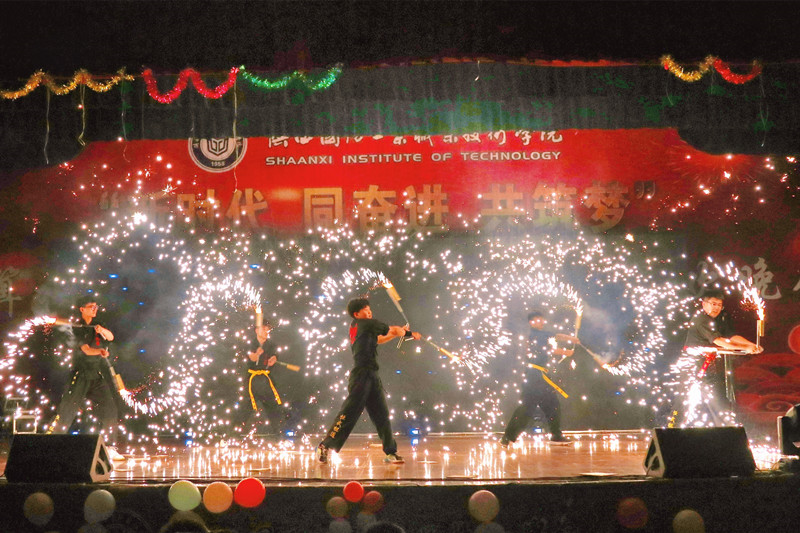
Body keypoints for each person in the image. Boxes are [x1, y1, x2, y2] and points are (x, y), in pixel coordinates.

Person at [317, 297, 421, 464]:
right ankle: (325, 445)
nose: (369, 312)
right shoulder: (366, 324)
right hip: (361, 376)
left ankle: (390, 452)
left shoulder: (358, 327)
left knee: (382, 415)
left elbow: (380, 339)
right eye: (365, 310)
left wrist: (398, 333)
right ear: (357, 314)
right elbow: (393, 329)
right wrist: (409, 334)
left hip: (371, 375)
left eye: (369, 309)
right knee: (349, 413)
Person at [47, 296, 125, 461]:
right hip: (80, 375)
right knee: (67, 411)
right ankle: (51, 445)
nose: (95, 309)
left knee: (110, 409)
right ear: (82, 309)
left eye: (96, 306)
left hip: (96, 375)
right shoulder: (77, 327)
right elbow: (86, 350)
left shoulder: (98, 323)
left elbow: (110, 337)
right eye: (91, 307)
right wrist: (100, 352)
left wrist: (102, 330)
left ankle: (110, 447)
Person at [671, 289, 763, 426]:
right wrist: (745, 348)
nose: (716, 308)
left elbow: (731, 336)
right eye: (713, 304)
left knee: (718, 403)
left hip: (708, 367)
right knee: (683, 403)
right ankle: (672, 431)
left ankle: (727, 430)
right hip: (692, 366)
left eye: (719, 305)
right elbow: (720, 341)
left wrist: (752, 345)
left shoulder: (720, 319)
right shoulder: (701, 319)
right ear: (704, 304)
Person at [500, 310, 579, 447]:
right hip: (534, 376)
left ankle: (555, 435)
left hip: (537, 376)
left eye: (542, 319)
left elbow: (556, 336)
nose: (541, 321)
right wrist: (565, 351)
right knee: (528, 407)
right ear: (531, 322)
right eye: (538, 319)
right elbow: (547, 348)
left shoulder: (540, 334)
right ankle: (508, 436)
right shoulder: (535, 335)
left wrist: (571, 339)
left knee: (551, 404)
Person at [243, 323, 287, 436]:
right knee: (245, 408)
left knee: (273, 407)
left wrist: (273, 359)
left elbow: (274, 355)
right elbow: (252, 358)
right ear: (256, 330)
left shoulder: (271, 345)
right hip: (252, 380)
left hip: (265, 379)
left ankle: (278, 435)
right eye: (264, 329)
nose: (266, 332)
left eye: (268, 330)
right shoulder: (250, 344)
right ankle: (233, 434)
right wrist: (256, 354)